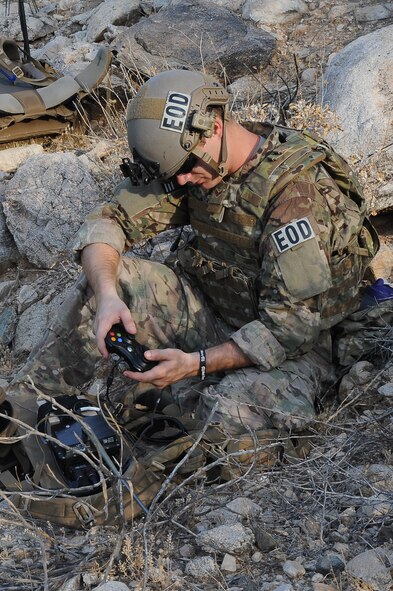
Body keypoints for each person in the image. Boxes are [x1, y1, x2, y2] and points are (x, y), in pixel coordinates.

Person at [0, 69, 380, 494]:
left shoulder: (296, 196)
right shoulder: (192, 160)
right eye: (173, 172)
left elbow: (288, 328)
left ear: (214, 126)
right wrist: (108, 296)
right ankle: (18, 416)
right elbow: (106, 223)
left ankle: (134, 471)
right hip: (214, 310)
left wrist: (196, 364)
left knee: (230, 422)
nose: (180, 181)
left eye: (184, 169)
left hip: (298, 349)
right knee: (114, 279)